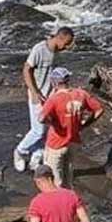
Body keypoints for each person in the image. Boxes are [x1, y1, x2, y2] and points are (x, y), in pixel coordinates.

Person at [13, 27, 75, 172]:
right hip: (38, 96)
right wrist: (34, 92)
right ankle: (20, 151)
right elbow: (26, 69)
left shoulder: (57, 52)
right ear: (60, 37)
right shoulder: (39, 49)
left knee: (48, 129)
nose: (66, 47)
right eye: (66, 43)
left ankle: (36, 156)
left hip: (51, 96)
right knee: (38, 130)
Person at [39, 68, 104, 189]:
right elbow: (99, 109)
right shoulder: (80, 94)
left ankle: (58, 203)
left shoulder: (54, 99)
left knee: (54, 178)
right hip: (73, 140)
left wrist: (53, 122)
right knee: (68, 174)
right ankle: (69, 198)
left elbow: (41, 118)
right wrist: (84, 124)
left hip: (56, 142)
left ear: (54, 83)